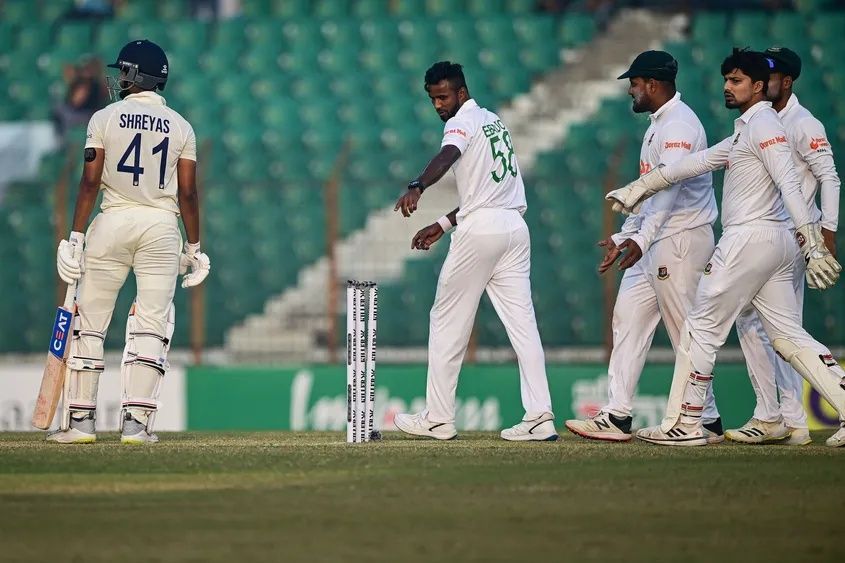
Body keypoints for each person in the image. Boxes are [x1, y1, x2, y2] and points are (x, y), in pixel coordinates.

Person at [606, 48, 845, 447]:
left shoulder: (764, 125)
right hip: (773, 243)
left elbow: (789, 181)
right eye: (726, 80)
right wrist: (639, 187)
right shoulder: (747, 127)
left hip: (751, 238)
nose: (726, 87)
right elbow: (696, 163)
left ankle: (686, 424)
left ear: (757, 86)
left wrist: (815, 240)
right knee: (788, 337)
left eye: (735, 81)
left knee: (699, 327)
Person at [49, 39, 210, 444]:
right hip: (160, 228)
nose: (119, 78)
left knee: (90, 323)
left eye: (123, 72)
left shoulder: (104, 118)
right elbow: (188, 194)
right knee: (151, 326)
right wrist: (193, 247)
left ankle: (81, 424)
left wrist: (75, 235)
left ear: (136, 76)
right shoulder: (182, 126)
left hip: (112, 222)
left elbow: (89, 181)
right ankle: (137, 427)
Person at [392, 61, 556, 441]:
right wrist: (443, 224)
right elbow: (486, 192)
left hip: (483, 229)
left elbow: (448, 154)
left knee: (447, 318)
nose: (438, 105)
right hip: (514, 228)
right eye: (433, 98)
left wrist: (418, 185)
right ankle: (540, 415)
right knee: (523, 326)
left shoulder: (460, 121)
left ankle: (438, 417)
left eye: (443, 96)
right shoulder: (494, 121)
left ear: (461, 93)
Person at [565, 51, 723, 442]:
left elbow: (668, 187)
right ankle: (617, 416)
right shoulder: (659, 124)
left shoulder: (679, 125)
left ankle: (703, 419)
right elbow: (650, 195)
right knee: (627, 320)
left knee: (685, 330)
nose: (630, 92)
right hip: (653, 240)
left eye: (633, 84)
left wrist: (640, 236)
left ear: (652, 84)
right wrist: (625, 235)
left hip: (681, 240)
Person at [728, 47, 841, 446]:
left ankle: (786, 416)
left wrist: (825, 236)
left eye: (770, 76)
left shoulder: (803, 123)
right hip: (770, 236)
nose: (763, 80)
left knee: (784, 332)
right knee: (760, 326)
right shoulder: (759, 121)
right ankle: (780, 417)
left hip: (791, 239)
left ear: (787, 81)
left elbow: (830, 178)